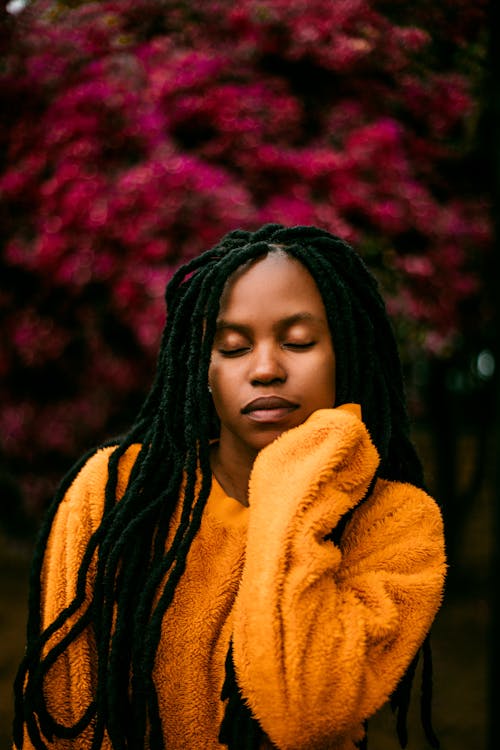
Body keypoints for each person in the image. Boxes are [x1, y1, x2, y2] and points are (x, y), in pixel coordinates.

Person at [13, 224, 446, 750]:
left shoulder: (396, 523)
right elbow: (63, 710)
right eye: (234, 348)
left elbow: (310, 715)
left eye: (298, 342)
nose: (266, 369)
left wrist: (294, 493)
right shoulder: (114, 494)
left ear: (347, 352)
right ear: (202, 370)